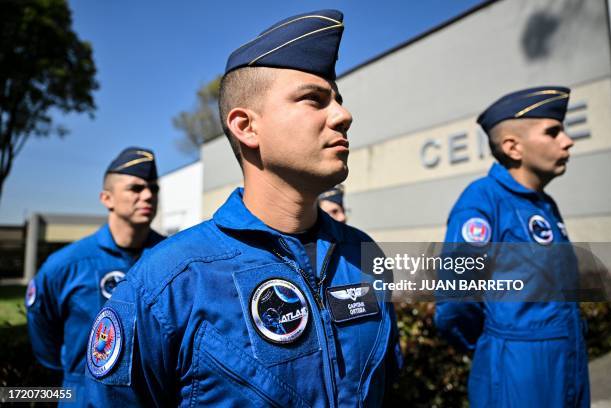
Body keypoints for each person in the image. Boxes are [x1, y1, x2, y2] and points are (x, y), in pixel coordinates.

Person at [84, 10, 400, 407]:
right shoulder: (171, 281)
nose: (343, 115)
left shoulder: (364, 255)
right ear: (246, 126)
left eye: (337, 100)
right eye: (314, 100)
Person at [435, 86, 589, 407]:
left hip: (568, 368)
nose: (567, 140)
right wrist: (499, 344)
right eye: (553, 132)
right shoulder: (482, 201)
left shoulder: (545, 205)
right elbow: (455, 304)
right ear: (513, 147)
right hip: (516, 377)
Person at [26, 147, 164, 405]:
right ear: (106, 198)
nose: (147, 195)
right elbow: (41, 327)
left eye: (153, 189)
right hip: (81, 397)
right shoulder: (65, 265)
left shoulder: (172, 259)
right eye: (135, 188)